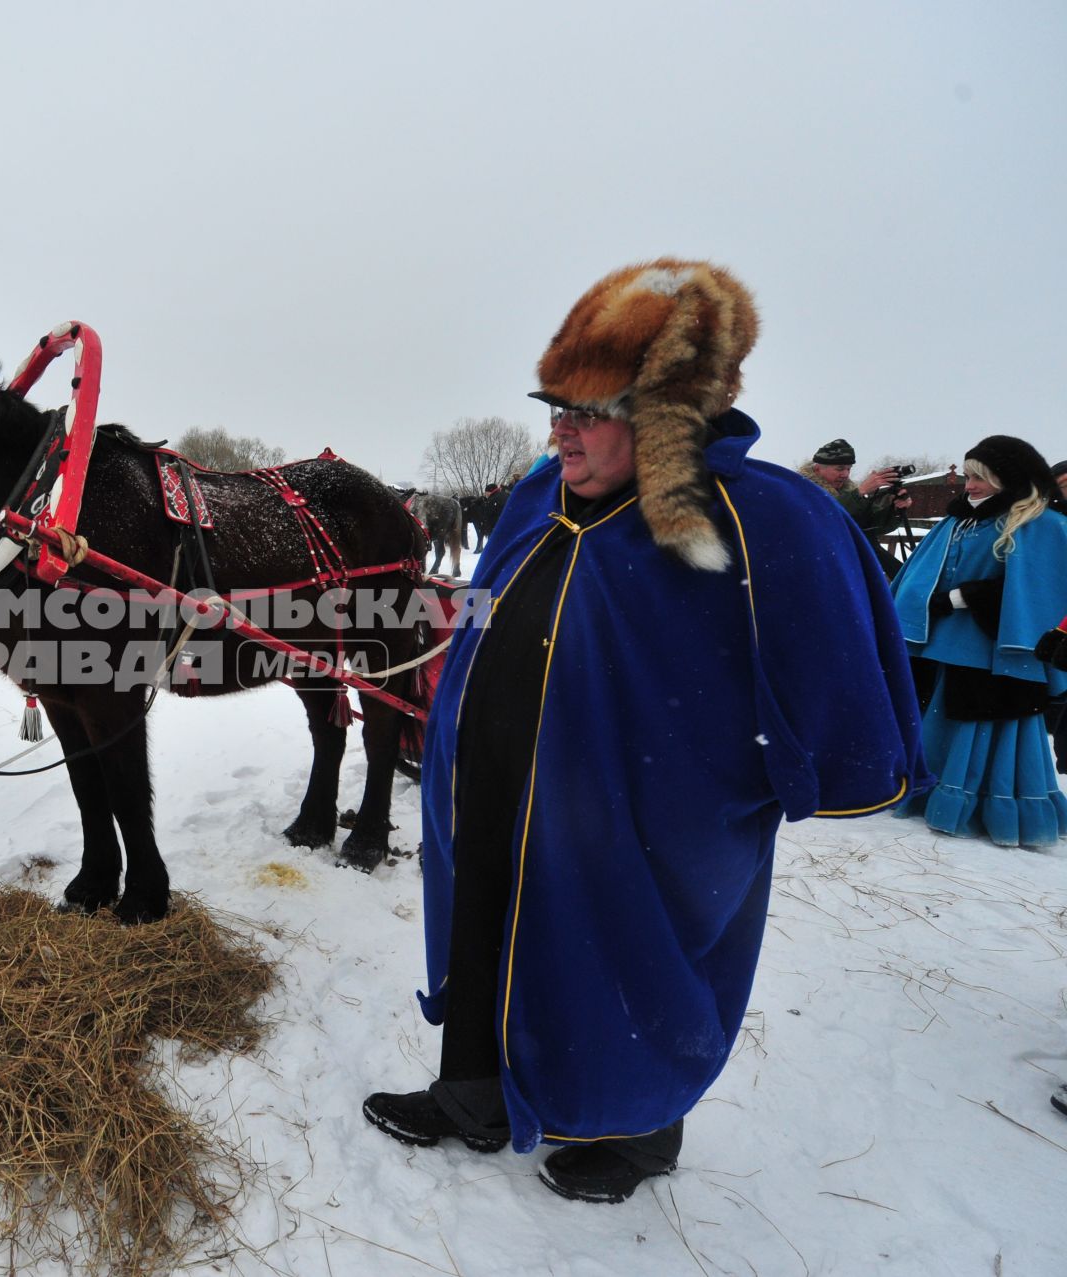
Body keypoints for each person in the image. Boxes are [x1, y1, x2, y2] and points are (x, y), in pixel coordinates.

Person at [363, 259, 928, 1204]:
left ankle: (635, 1137)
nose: (562, 431)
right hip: (502, 788)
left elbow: (843, 678)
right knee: (488, 935)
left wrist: (753, 783)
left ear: (667, 410)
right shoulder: (540, 496)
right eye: (556, 407)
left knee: (630, 966)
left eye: (589, 410)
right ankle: (475, 1094)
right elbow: (490, 612)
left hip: (649, 817)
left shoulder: (765, 520)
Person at [890, 438, 1067, 845]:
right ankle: (933, 795)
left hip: (997, 649)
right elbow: (916, 576)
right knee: (941, 719)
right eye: (967, 477)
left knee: (988, 724)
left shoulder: (1041, 523)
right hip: (942, 643)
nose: (968, 486)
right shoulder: (957, 522)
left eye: (980, 479)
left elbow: (1041, 592)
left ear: (1009, 480)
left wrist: (963, 597)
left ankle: (986, 809)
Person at [801, 439, 913, 576]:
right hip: (815, 565)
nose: (845, 474)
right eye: (840, 468)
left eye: (849, 469)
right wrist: (859, 493)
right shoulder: (800, 488)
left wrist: (895, 510)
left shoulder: (849, 491)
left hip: (847, 566)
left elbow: (873, 528)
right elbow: (824, 517)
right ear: (818, 468)